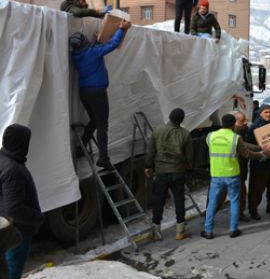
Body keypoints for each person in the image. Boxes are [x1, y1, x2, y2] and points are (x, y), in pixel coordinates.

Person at [70, 19, 131, 169]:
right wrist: (122, 29)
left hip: (84, 92)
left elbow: (90, 52)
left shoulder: (76, 56)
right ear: (85, 43)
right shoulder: (92, 52)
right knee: (102, 124)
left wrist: (97, 41)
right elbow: (113, 44)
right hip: (97, 92)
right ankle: (103, 158)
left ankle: (80, 148)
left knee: (94, 121)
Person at [201, 114, 270, 239]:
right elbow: (247, 154)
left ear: (222, 123)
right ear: (233, 125)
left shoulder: (210, 136)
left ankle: (208, 231)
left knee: (212, 203)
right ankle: (233, 230)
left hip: (216, 175)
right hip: (232, 175)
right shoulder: (235, 138)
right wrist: (262, 155)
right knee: (234, 201)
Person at [0, 124, 45, 279]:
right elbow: (14, 208)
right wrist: (38, 217)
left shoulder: (4, 159)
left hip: (5, 226)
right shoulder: (13, 170)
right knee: (12, 271)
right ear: (20, 143)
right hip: (17, 230)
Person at [145, 108, 194, 241]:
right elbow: (189, 157)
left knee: (159, 201)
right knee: (179, 200)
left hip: (161, 171)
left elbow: (150, 151)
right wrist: (188, 166)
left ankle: (156, 232)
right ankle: (180, 231)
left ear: (170, 117)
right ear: (181, 120)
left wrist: (148, 166)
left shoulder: (158, 130)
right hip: (177, 171)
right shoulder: (185, 134)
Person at [246, 105, 270, 220]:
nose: (268, 114)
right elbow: (250, 145)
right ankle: (253, 210)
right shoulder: (254, 127)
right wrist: (262, 149)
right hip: (260, 163)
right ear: (261, 113)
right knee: (257, 189)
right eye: (266, 112)